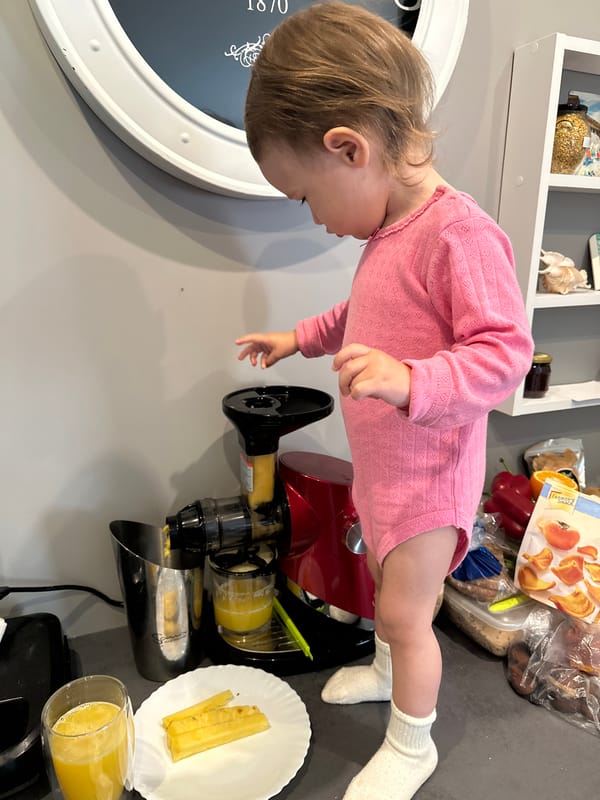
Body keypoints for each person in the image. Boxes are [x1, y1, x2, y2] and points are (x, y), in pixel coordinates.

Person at [236, 3, 534, 798]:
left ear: (349, 148)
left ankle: (412, 743)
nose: (314, 218)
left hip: (430, 479)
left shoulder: (458, 234)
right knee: (385, 592)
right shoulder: (388, 236)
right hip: (386, 470)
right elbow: (360, 316)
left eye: (306, 197)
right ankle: (383, 668)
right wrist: (297, 338)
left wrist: (411, 381)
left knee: (406, 614)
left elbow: (505, 354)